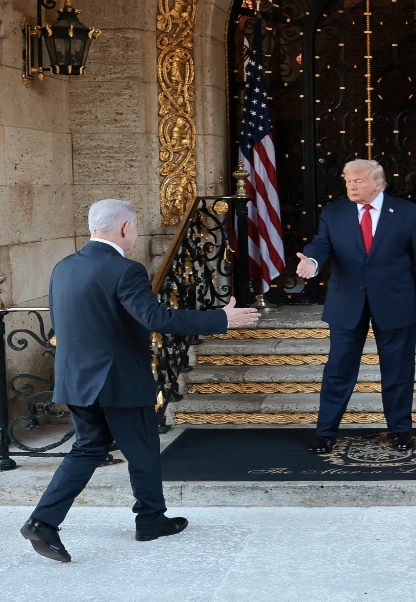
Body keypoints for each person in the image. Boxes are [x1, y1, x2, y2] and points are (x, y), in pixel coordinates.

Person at [21, 199, 261, 563]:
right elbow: (157, 317)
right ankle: (149, 520)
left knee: (88, 448)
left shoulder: (64, 267)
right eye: (134, 226)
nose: (134, 232)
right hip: (117, 379)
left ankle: (44, 522)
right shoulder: (124, 270)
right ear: (124, 228)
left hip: (76, 378)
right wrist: (221, 319)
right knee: (144, 448)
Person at [296, 159, 416, 455]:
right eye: (348, 180)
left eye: (358, 181)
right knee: (338, 370)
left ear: (378, 184)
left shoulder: (408, 212)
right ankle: (325, 433)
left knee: (398, 370)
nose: (351, 185)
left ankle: (400, 431)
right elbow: (321, 245)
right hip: (347, 302)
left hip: (396, 300)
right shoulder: (334, 212)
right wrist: (311, 261)